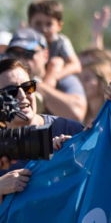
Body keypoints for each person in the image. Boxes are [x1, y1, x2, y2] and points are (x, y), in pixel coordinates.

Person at [0, 58, 83, 204]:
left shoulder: (70, 129)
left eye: (28, 87)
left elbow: (98, 178)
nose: (23, 95)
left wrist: (71, 155)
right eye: (11, 92)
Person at [4, 29, 87, 122]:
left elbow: (76, 113)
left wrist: (37, 86)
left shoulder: (63, 79)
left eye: (28, 54)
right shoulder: (4, 85)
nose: (21, 59)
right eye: (14, 54)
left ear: (45, 55)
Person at [27, 0, 82, 86]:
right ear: (30, 24)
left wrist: (54, 76)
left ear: (59, 26)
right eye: (38, 23)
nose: (43, 29)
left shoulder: (60, 42)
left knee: (56, 62)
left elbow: (75, 65)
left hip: (52, 80)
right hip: (33, 77)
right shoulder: (26, 42)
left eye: (49, 24)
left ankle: (44, 90)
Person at [80, 58, 111, 124]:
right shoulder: (79, 115)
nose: (80, 84)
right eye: (79, 80)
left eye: (87, 79)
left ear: (102, 81)